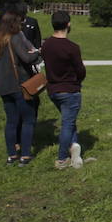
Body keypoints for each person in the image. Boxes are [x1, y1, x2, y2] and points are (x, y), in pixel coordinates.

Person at [0, 11, 41, 166]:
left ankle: (12, 155)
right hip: (20, 85)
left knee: (11, 121)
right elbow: (26, 58)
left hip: (4, 87)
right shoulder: (16, 37)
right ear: (14, 23)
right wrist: (37, 53)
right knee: (28, 120)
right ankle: (25, 155)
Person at [41, 10, 86, 169]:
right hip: (69, 90)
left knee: (69, 121)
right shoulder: (72, 47)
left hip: (53, 90)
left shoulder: (46, 45)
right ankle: (61, 159)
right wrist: (77, 80)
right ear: (68, 24)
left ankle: (75, 152)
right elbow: (80, 71)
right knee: (67, 124)